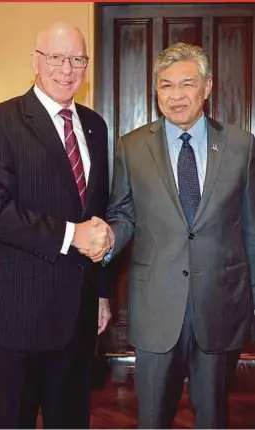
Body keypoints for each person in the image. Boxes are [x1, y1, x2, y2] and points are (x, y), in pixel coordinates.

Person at [0, 21, 114, 429]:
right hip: (19, 315)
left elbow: (96, 213)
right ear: (36, 61)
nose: (67, 69)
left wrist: (101, 294)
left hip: (78, 316)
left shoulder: (94, 126)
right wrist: (71, 235)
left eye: (78, 59)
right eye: (56, 57)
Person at [103, 43, 255, 428]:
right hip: (156, 309)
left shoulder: (241, 146)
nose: (175, 96)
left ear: (207, 87)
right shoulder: (132, 147)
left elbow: (250, 228)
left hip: (221, 306)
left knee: (214, 419)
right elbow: (122, 214)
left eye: (186, 84)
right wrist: (102, 243)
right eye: (165, 86)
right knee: (152, 419)